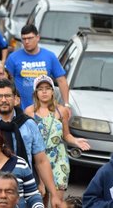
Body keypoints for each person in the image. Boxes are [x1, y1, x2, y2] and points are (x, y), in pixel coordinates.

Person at [0, 78, 62, 208]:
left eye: (8, 96)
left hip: (23, 188)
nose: (4, 100)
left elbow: (41, 161)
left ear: (16, 99)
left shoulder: (29, 124)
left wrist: (53, 193)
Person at [25, 75, 90, 206]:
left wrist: (76, 141)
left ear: (53, 92)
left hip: (58, 157)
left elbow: (66, 135)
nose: (44, 92)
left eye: (47, 88)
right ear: (35, 92)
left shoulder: (62, 111)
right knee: (40, 198)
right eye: (40, 89)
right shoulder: (29, 112)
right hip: (39, 158)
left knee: (57, 201)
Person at [5, 24, 70, 111]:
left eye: (30, 38)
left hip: (45, 111)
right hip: (21, 110)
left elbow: (61, 80)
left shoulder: (49, 56)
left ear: (38, 37)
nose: (27, 42)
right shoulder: (13, 58)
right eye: (24, 39)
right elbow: (6, 81)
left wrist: (66, 104)